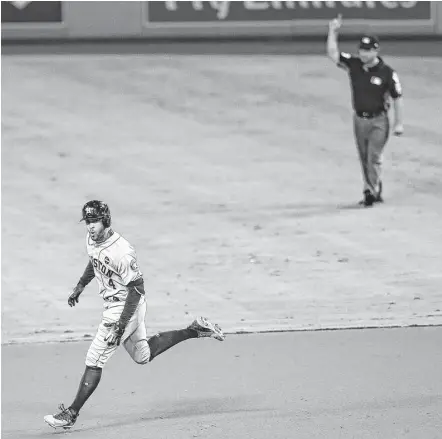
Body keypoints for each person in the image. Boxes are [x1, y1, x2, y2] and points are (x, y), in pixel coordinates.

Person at [44, 200, 225, 430]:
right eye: (87, 222)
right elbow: (95, 261)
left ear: (105, 221)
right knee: (143, 355)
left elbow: (137, 289)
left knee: (94, 359)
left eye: (95, 221)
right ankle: (195, 329)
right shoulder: (91, 239)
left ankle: (71, 413)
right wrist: (80, 286)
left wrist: (120, 325)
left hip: (126, 307)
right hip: (117, 307)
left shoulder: (122, 251)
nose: (90, 227)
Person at [327, 14, 404, 207]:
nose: (363, 54)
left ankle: (370, 191)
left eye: (368, 51)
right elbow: (333, 55)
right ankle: (373, 187)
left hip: (379, 121)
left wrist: (399, 123)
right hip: (359, 119)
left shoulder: (387, 72)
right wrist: (332, 32)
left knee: (374, 156)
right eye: (362, 50)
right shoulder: (354, 65)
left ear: (376, 51)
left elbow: (397, 97)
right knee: (364, 157)